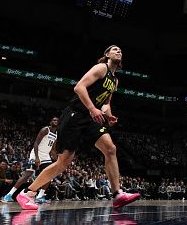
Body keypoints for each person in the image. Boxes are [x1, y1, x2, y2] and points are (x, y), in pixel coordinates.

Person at [16, 45, 140, 210]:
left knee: (110, 149)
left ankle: (117, 194)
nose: (119, 51)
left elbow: (105, 102)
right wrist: (91, 108)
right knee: (63, 163)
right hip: (75, 114)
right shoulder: (101, 68)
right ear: (107, 54)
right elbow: (79, 87)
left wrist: (108, 116)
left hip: (92, 118)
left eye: (120, 50)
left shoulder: (115, 80)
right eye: (114, 49)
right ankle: (28, 193)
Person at [3, 117, 59, 204]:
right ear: (51, 121)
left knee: (49, 175)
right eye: (54, 120)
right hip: (36, 153)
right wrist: (36, 157)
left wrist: (58, 160)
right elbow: (36, 143)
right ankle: (9, 194)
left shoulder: (56, 134)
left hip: (45, 155)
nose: (56, 122)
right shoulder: (45, 130)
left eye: (57, 121)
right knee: (27, 175)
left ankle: (40, 196)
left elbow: (52, 150)